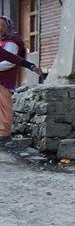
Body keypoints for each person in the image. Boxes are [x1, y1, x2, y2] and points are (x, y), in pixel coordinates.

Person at [0, 14, 45, 142]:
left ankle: (4, 133)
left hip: (3, 78)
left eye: (3, 26)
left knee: (4, 106)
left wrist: (31, 66)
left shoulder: (11, 42)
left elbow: (12, 58)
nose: (0, 28)